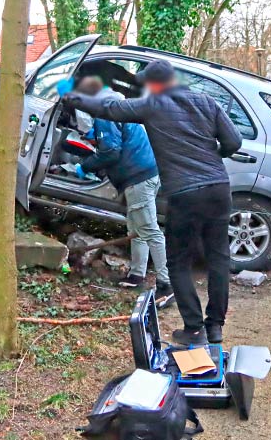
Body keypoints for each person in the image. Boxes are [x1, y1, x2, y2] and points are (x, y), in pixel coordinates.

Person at [63, 61, 242, 346]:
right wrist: (212, 154)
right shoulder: (206, 102)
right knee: (218, 258)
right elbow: (234, 142)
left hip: (185, 192)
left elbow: (110, 110)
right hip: (219, 189)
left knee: (179, 261)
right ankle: (215, 327)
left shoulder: (153, 105)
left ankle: (195, 329)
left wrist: (73, 95)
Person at [72, 76, 173, 299]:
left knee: (149, 230)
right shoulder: (114, 105)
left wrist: (85, 166)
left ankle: (166, 283)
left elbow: (110, 150)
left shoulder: (105, 113)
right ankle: (136, 275)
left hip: (138, 177)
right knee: (136, 230)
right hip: (143, 173)